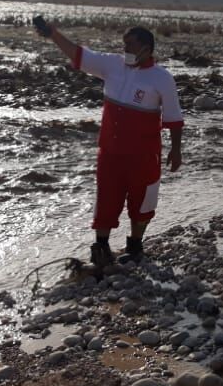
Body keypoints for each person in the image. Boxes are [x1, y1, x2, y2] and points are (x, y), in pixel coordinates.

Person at [33, 16, 184, 269]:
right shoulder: (112, 65)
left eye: (130, 46)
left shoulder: (162, 79)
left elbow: (174, 118)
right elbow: (79, 54)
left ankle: (135, 246)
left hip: (144, 156)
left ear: (147, 48)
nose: (125, 51)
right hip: (110, 153)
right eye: (123, 45)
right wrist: (53, 34)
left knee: (142, 202)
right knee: (106, 200)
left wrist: (176, 151)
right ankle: (101, 246)